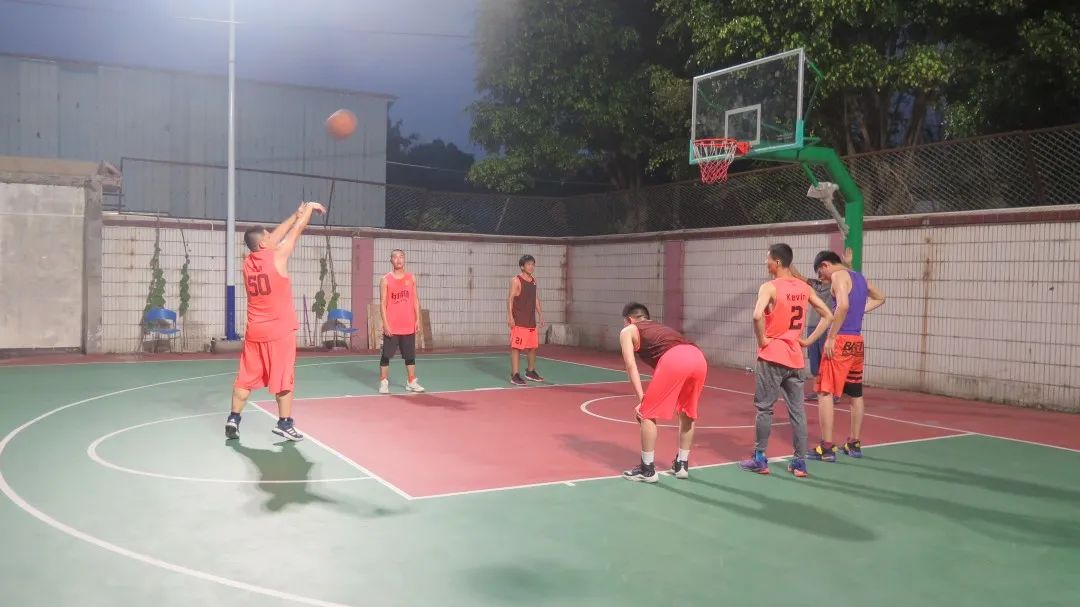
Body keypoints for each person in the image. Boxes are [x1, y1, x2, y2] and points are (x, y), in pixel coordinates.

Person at [226, 201, 326, 442]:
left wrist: (294, 214)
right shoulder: (277, 257)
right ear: (263, 243)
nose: (273, 236)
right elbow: (295, 233)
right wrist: (308, 210)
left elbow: (275, 236)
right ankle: (284, 423)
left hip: (255, 331)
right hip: (279, 331)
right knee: (283, 377)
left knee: (245, 378)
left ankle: (233, 419)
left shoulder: (248, 263)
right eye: (268, 235)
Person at [739, 244, 833, 477]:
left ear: (778, 262)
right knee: (798, 412)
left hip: (772, 357)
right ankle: (799, 462)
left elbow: (757, 315)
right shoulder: (803, 288)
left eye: (768, 259)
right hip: (795, 358)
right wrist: (808, 341)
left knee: (765, 409)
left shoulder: (769, 287)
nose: (766, 263)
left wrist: (762, 339)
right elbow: (828, 315)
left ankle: (760, 459)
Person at [808, 249, 886, 461]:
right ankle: (854, 444)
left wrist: (831, 337)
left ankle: (826, 448)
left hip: (841, 341)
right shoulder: (859, 277)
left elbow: (843, 305)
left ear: (825, 265)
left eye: (820, 273)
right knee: (855, 394)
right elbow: (880, 297)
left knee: (825, 392)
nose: (822, 278)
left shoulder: (837, 276)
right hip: (857, 343)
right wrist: (859, 311)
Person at [618, 303, 708, 483]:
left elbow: (630, 365)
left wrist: (641, 399)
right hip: (698, 357)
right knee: (687, 412)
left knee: (646, 413)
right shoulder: (659, 327)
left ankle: (647, 470)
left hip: (675, 359)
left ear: (629, 320)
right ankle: (681, 464)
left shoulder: (628, 330)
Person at [378, 249, 425, 394]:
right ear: (391, 260)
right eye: (395, 257)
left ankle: (411, 381)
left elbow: (415, 299)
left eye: (401, 257)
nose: (398, 260)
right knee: (386, 355)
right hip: (392, 325)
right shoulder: (385, 279)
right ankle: (383, 382)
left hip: (408, 324)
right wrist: (385, 323)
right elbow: (382, 303)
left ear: (404, 259)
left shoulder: (411, 278)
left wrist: (418, 319)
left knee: (410, 356)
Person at [508, 254, 545, 385]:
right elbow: (510, 299)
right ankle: (515, 375)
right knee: (516, 347)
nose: (531, 267)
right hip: (519, 320)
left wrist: (540, 314)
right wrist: (510, 316)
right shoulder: (516, 280)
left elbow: (535, 298)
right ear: (522, 266)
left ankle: (530, 371)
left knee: (532, 347)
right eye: (528, 264)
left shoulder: (533, 280)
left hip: (530, 320)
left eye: (533, 264)